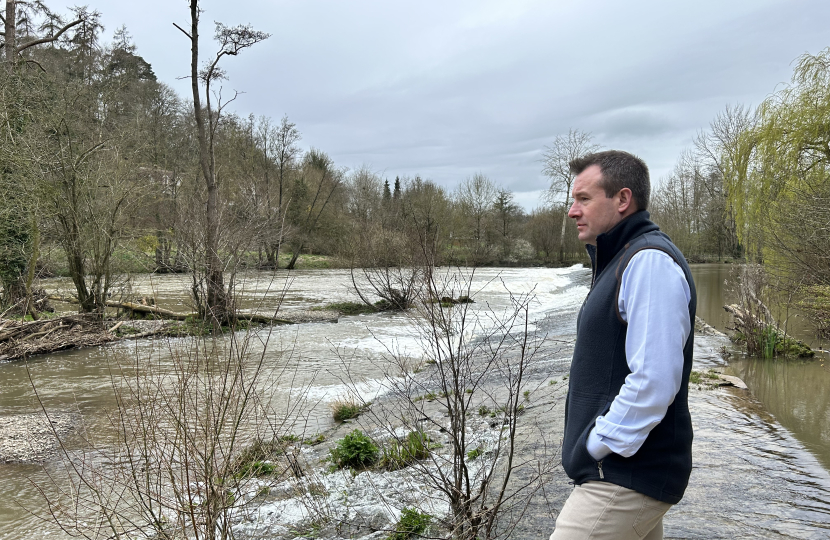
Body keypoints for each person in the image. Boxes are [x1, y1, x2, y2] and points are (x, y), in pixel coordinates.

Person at [550, 150, 696, 540]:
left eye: (583, 199)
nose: (572, 211)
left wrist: (596, 445)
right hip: (624, 473)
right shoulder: (621, 259)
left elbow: (655, 379)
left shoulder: (648, 262)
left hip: (623, 477)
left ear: (622, 200)